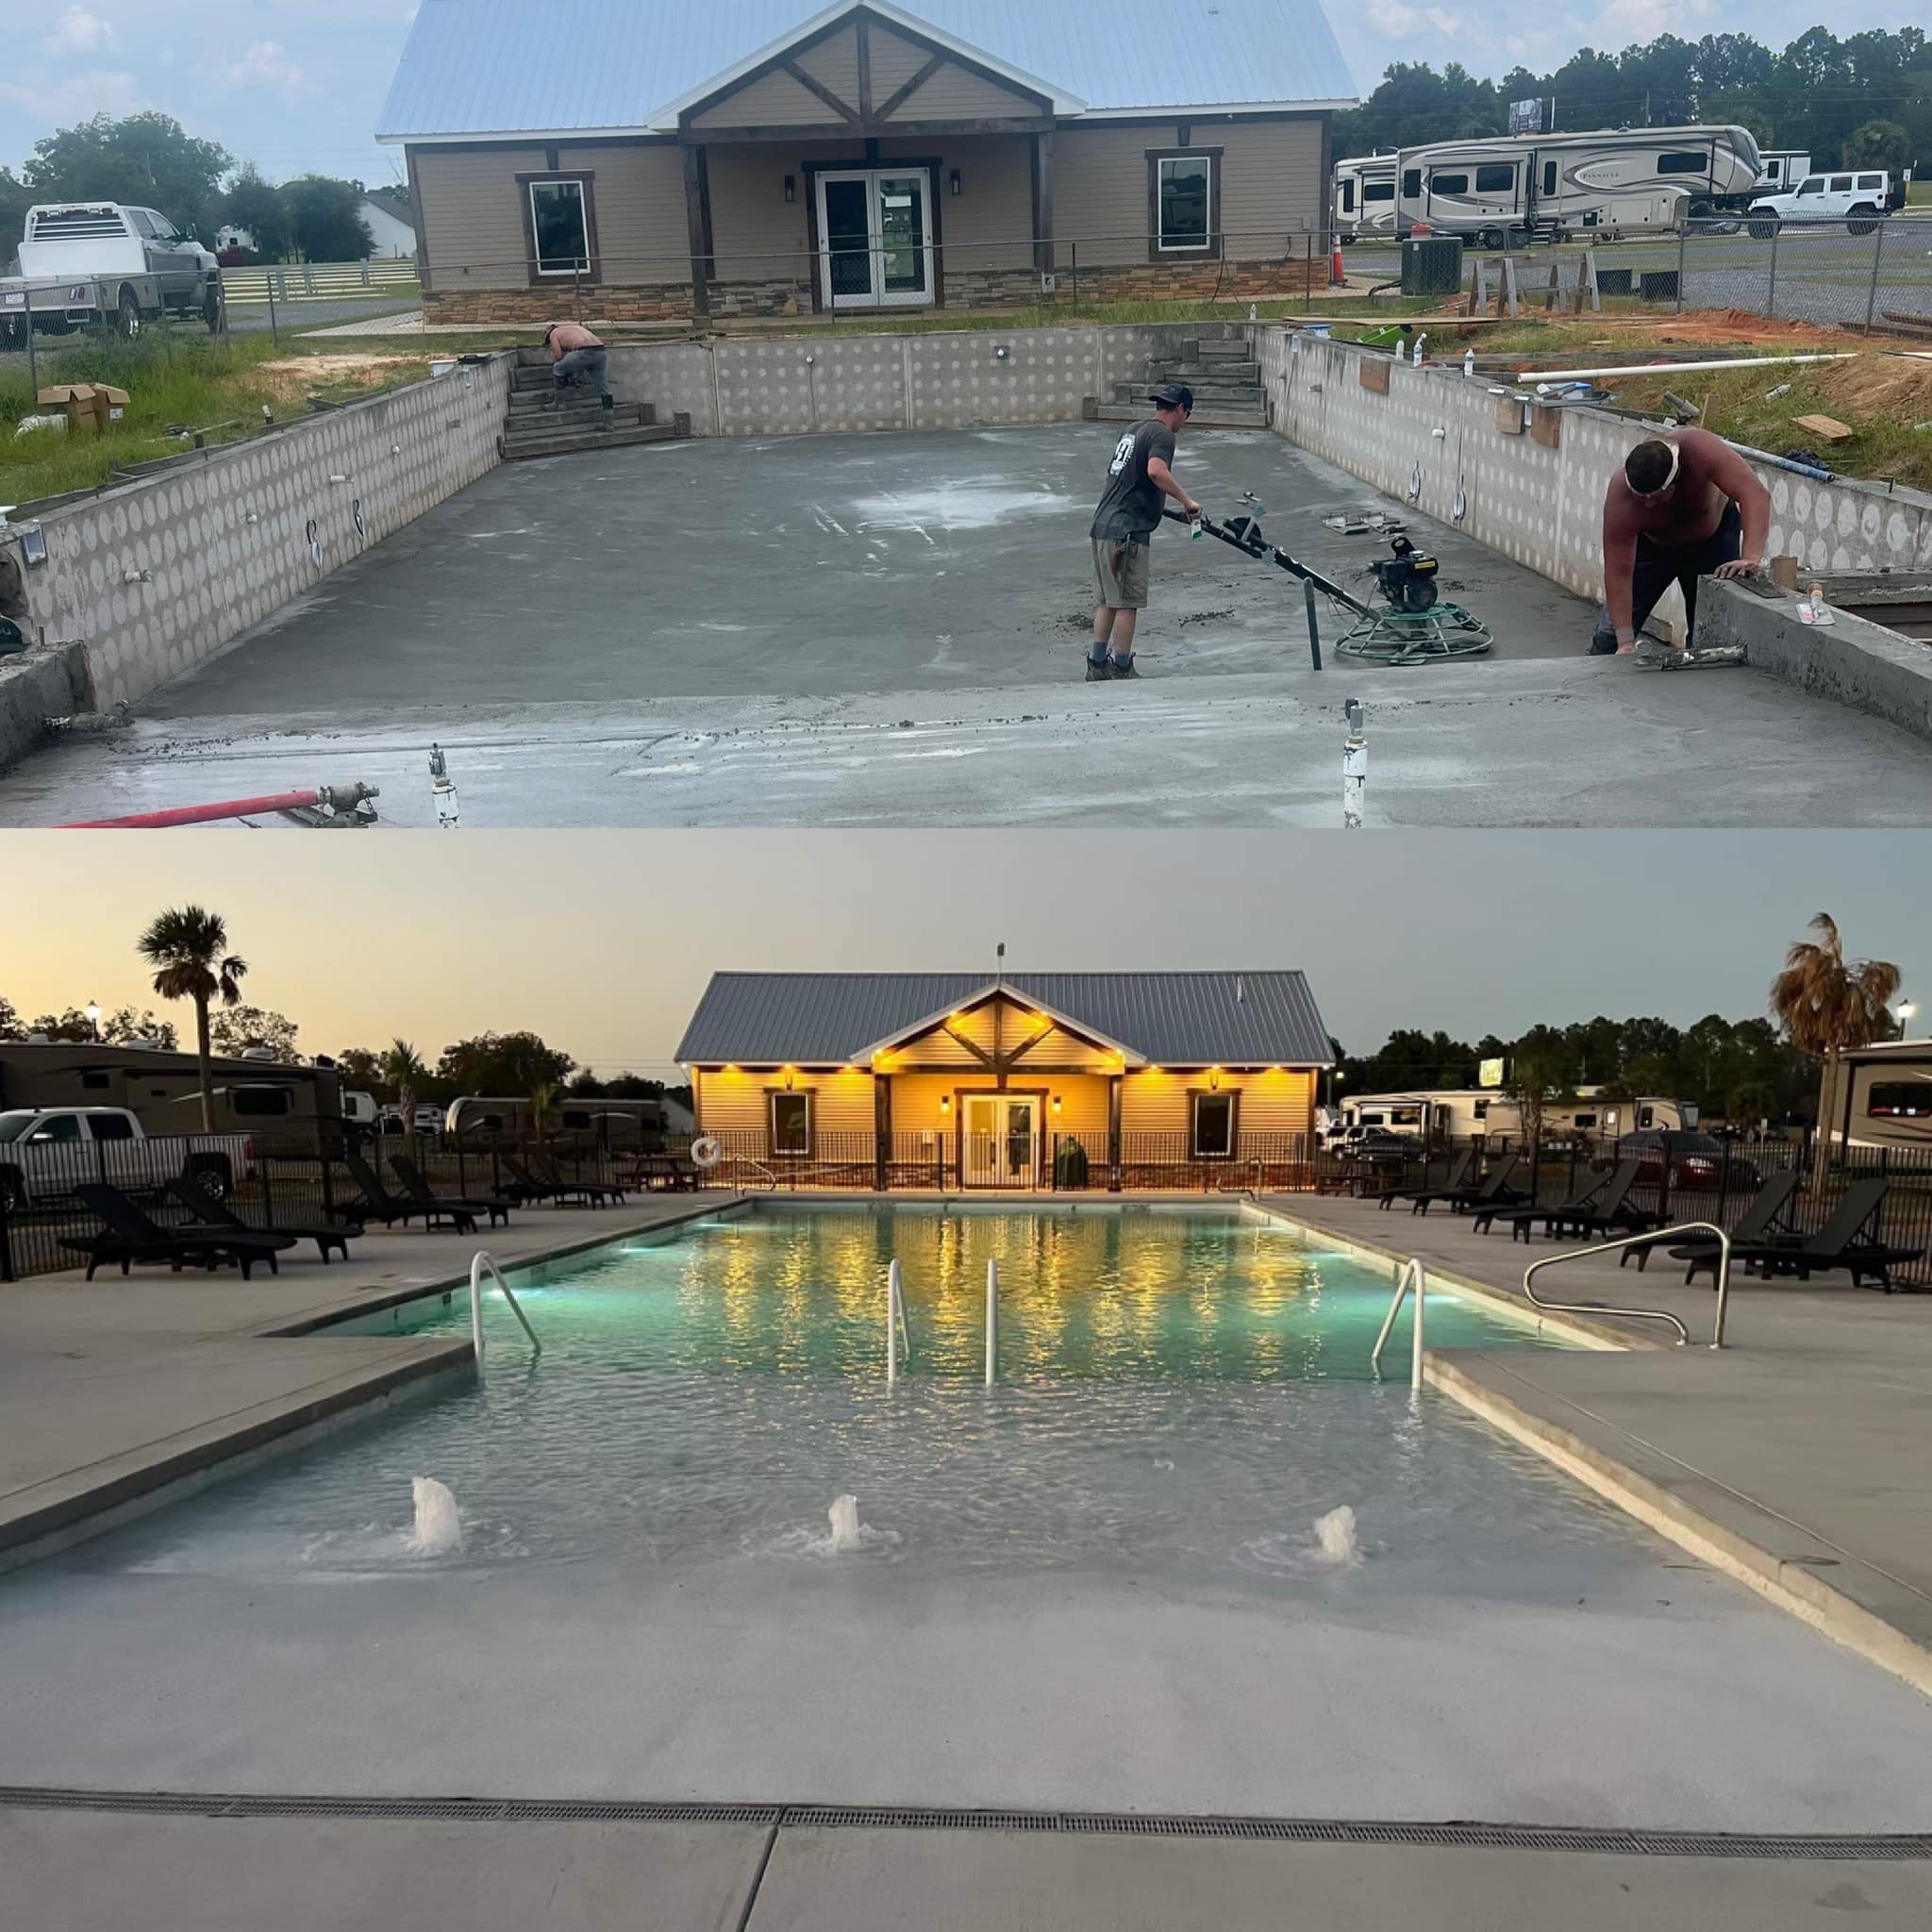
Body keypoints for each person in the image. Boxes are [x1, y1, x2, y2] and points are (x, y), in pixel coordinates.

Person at [1592, 427, 1771, 657]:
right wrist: (1625, 642)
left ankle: (1702, 688)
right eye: (1640, 499)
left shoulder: (1701, 450)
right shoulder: (1622, 495)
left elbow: (1754, 494)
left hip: (1712, 543)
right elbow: (1618, 572)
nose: (1647, 506)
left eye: (1654, 498)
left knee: (1709, 636)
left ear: (1673, 483)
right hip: (1652, 548)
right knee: (1609, 639)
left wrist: (1750, 557)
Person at [1086, 382, 1203, 680]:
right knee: (1128, 601)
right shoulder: (1162, 435)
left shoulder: (1134, 430)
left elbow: (1118, 476)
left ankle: (1097, 664)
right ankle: (1122, 666)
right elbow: (1155, 471)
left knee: (1107, 600)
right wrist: (1187, 500)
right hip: (1127, 532)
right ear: (1180, 410)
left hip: (1103, 526)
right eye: (1185, 415)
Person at [544, 321, 612, 425]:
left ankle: (559, 404)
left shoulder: (554, 334)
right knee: (604, 389)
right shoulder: (574, 328)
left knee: (557, 368)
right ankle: (609, 423)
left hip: (584, 352)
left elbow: (558, 356)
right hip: (601, 352)